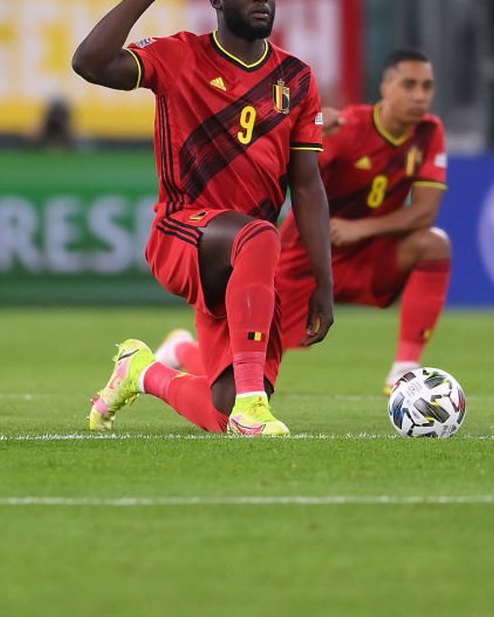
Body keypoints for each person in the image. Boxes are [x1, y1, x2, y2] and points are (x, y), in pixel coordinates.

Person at [71, 0, 334, 436]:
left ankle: (144, 372)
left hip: (249, 264)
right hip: (181, 232)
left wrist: (323, 280)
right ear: (215, 0)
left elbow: (307, 185)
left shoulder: (296, 79)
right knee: (257, 236)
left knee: (220, 410)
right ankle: (255, 407)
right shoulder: (181, 56)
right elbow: (89, 62)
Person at [158, 49, 451, 393]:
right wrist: (308, 133)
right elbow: (294, 177)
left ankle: (404, 369)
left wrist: (361, 229)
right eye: (409, 84)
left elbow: (424, 212)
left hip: (367, 257)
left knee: (433, 244)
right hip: (304, 263)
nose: (420, 95)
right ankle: (182, 349)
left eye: (427, 86)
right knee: (247, 370)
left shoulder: (430, 132)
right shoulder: (346, 128)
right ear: (385, 87)